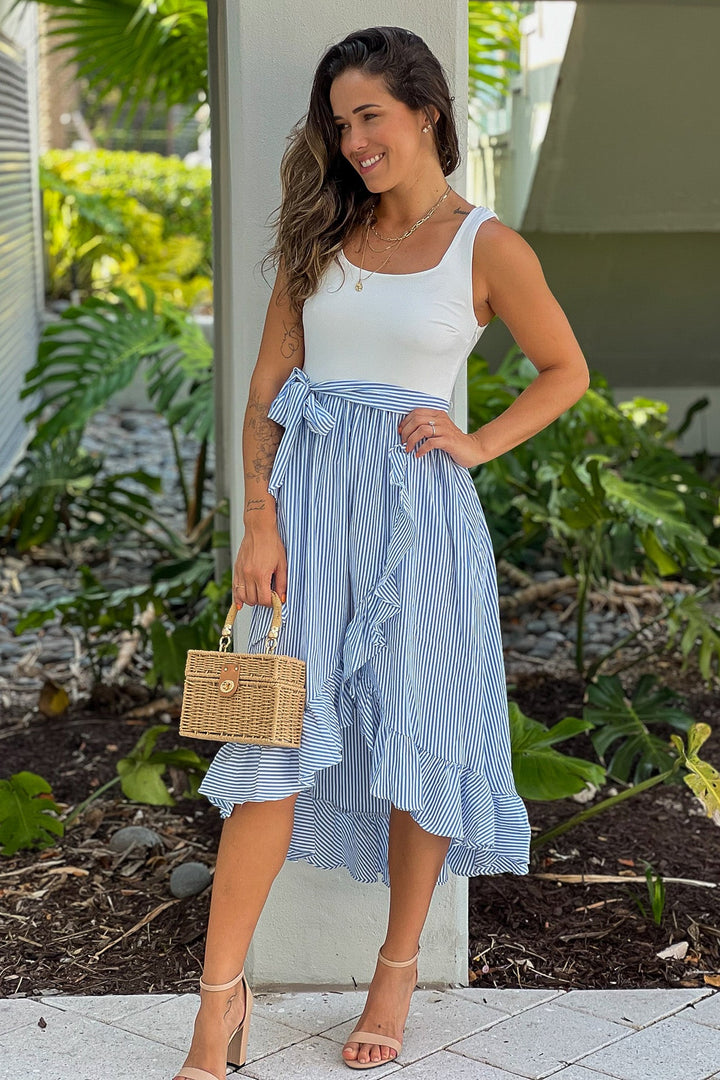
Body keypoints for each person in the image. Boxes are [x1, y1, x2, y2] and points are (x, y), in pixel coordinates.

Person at [172, 24, 590, 1080]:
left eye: (371, 116)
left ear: (426, 112)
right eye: (340, 122)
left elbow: (564, 369)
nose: (355, 140)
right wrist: (258, 519)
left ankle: (395, 971)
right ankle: (218, 1007)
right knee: (270, 745)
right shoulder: (320, 233)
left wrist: (476, 443)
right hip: (306, 519)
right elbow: (265, 393)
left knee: (420, 738)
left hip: (420, 527)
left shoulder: (487, 246)